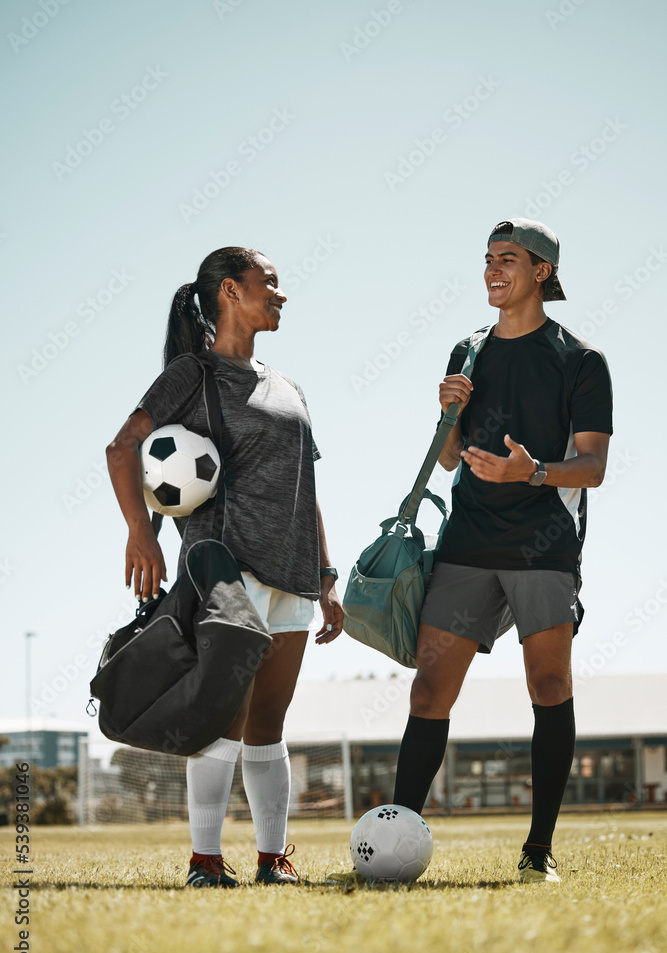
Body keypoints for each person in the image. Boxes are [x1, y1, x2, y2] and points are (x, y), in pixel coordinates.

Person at [329, 218, 612, 886]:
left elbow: (592, 467)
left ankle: (536, 851)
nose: (491, 270)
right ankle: (396, 843)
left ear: (542, 271)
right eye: (487, 259)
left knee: (548, 685)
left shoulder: (580, 360)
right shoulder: (467, 348)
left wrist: (531, 472)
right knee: (428, 691)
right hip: (466, 544)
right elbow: (451, 457)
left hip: (543, 548)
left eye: (507, 260)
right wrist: (448, 414)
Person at [106, 246, 343, 888]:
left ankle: (273, 860)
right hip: (224, 570)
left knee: (270, 720)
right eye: (270, 282)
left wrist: (325, 577)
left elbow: (307, 484)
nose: (281, 294)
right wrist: (140, 534)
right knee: (224, 717)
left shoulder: (288, 386)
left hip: (292, 573)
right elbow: (122, 447)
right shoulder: (193, 373)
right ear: (231, 292)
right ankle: (205, 862)